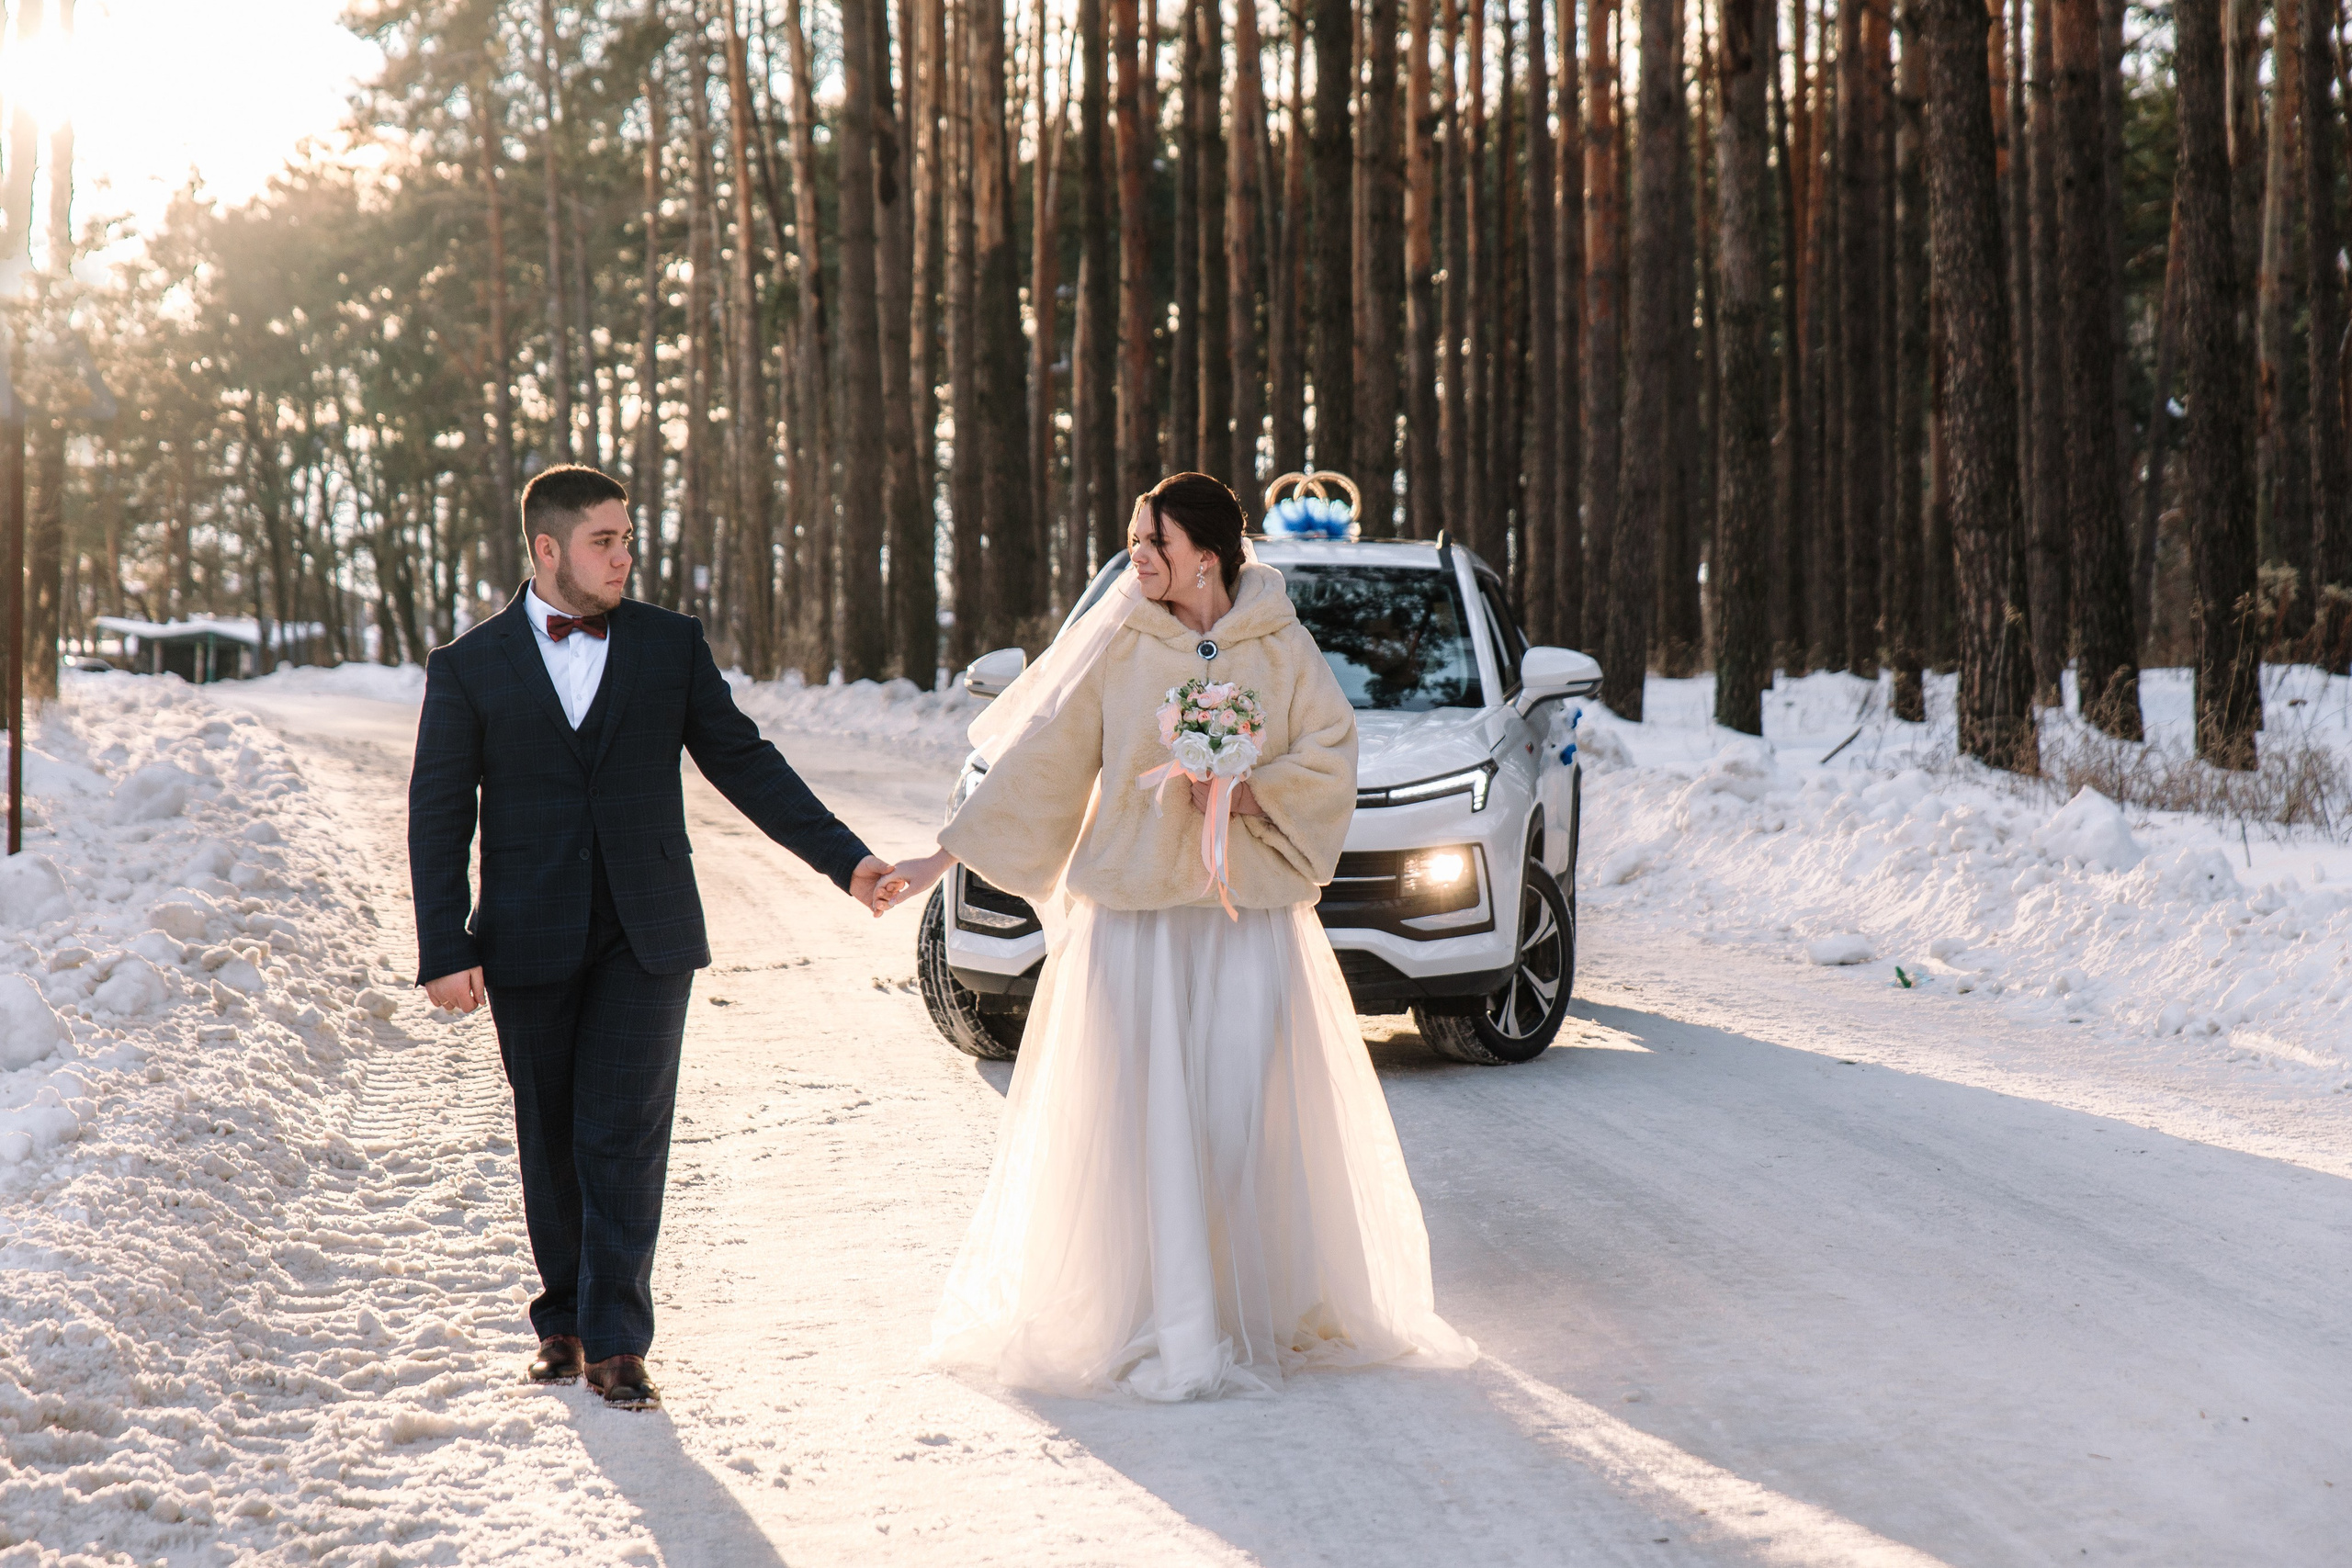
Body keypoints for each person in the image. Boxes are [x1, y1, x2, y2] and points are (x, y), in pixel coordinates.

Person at [881, 472, 1476, 1400]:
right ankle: (1150, 1315)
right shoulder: (1118, 636)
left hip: (1247, 928)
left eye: (1151, 541)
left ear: (1207, 552)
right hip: (1136, 924)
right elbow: (1040, 758)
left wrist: (1240, 786)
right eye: (1131, 538)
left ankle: (1251, 1307)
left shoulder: (1279, 642)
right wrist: (939, 858)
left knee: (1240, 1115)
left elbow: (1330, 755)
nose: (1136, 556)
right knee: (1134, 1118)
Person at [407, 465, 899, 1410]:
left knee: (623, 1134)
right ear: (547, 550)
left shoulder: (669, 645)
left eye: (628, 537)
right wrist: (445, 945)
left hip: (649, 931)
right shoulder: (466, 667)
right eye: (605, 541)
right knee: (548, 1131)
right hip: (528, 933)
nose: (625, 555)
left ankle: (619, 1340)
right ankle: (563, 1321)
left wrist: (847, 862)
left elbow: (746, 764)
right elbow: (438, 815)